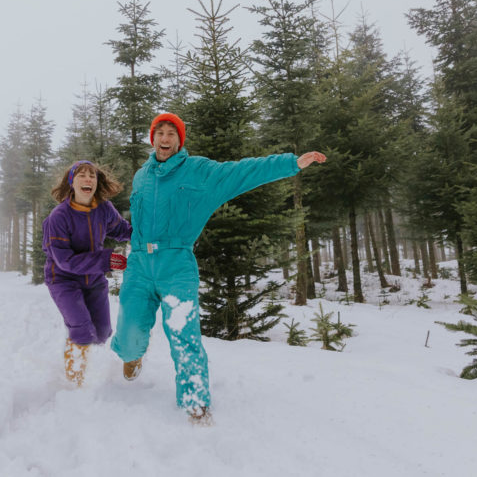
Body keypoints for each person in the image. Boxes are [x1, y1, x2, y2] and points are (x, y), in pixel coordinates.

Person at [110, 113, 326, 424]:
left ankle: (196, 402)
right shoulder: (142, 175)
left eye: (172, 133)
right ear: (152, 138)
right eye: (160, 133)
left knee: (184, 336)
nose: (165, 139)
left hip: (176, 265)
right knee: (128, 335)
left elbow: (244, 171)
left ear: (180, 140)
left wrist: (292, 163)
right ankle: (133, 354)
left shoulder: (199, 172)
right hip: (140, 265)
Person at [42, 160, 132, 387]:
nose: (88, 179)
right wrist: (106, 259)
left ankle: (84, 356)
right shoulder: (58, 217)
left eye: (92, 175)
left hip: (93, 278)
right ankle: (75, 383)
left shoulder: (103, 208)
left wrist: (146, 235)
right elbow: (65, 261)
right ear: (72, 182)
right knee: (82, 329)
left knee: (102, 333)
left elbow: (123, 230)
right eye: (82, 175)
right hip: (62, 279)